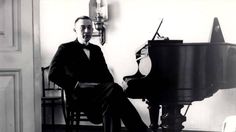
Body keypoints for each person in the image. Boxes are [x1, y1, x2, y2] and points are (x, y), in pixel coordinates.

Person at [48, 16, 151, 132]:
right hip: (79, 96)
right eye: (82, 27)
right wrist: (76, 84)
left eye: (89, 28)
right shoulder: (65, 48)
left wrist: (110, 85)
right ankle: (142, 130)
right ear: (75, 30)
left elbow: (106, 75)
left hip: (99, 94)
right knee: (115, 93)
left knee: (112, 98)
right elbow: (52, 74)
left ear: (92, 30)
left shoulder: (96, 49)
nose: (86, 31)